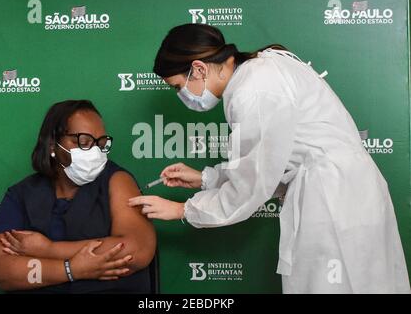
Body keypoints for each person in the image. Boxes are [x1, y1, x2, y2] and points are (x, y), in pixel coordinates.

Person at [128, 23, 410, 293]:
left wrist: (183, 210)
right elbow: (269, 165)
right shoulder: (260, 71)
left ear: (198, 69)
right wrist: (206, 178)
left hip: (333, 198)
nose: (183, 95)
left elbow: (252, 186)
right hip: (344, 190)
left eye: (178, 86)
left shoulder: (253, 90)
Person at [0, 100, 156, 293]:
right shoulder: (22, 194)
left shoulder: (117, 180)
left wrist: (49, 250)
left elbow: (136, 249)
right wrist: (72, 269)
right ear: (52, 144)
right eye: (83, 142)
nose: (94, 152)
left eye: (101, 143)